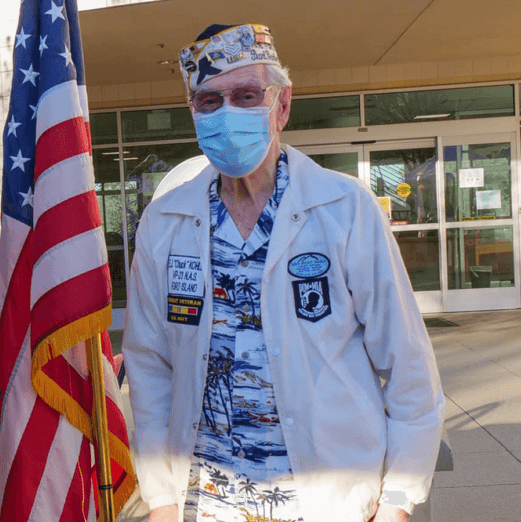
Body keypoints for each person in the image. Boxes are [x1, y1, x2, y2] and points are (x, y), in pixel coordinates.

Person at [122, 23, 445, 522]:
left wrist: (399, 500)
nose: (227, 113)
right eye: (209, 101)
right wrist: (162, 499)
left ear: (282, 105)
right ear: (194, 114)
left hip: (327, 501)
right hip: (205, 505)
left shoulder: (346, 209)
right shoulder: (165, 222)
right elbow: (148, 367)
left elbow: (407, 367)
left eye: (246, 95)